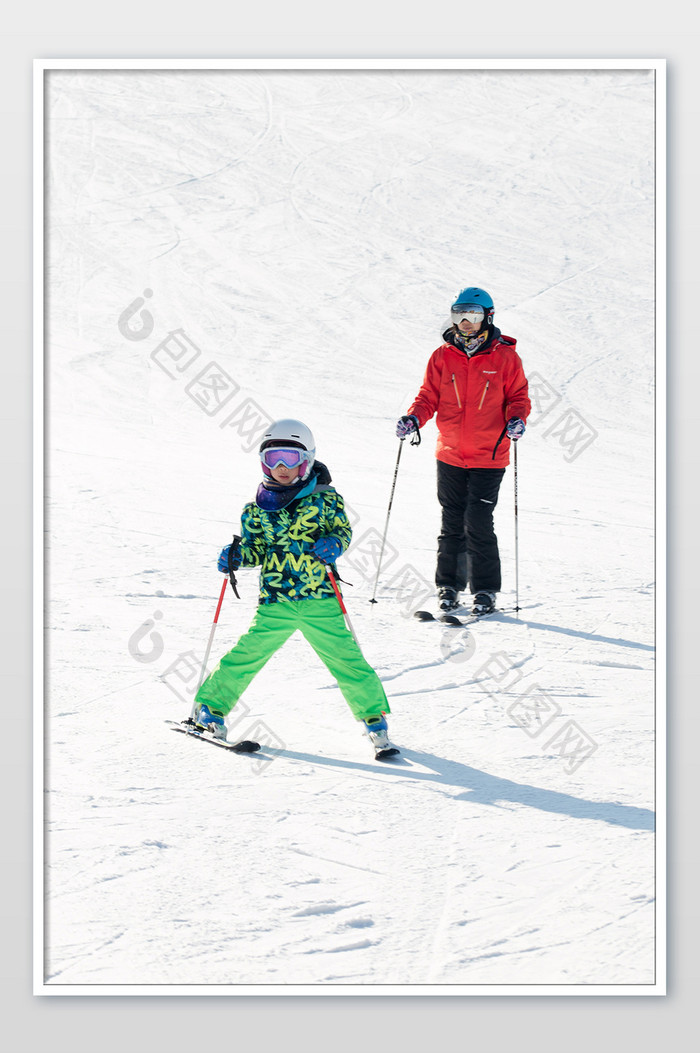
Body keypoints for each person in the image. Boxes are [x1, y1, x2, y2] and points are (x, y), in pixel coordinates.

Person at [189, 419, 397, 756]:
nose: (282, 467)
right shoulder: (256, 509)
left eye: (290, 457)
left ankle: (375, 721)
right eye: (273, 458)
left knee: (347, 661)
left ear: (308, 459)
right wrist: (236, 556)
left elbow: (342, 531)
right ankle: (211, 709)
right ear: (263, 461)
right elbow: (256, 550)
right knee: (247, 655)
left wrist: (334, 542)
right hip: (277, 601)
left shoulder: (327, 500)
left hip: (321, 599)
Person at [396, 287, 530, 615]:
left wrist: (516, 420)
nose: (465, 322)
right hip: (450, 454)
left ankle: (485, 590)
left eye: (472, 314)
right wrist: (415, 418)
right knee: (452, 521)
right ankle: (448, 587)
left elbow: (518, 397)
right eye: (459, 314)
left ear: (488, 317)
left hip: (489, 454)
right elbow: (428, 395)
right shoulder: (442, 356)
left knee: (478, 520)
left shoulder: (505, 358)